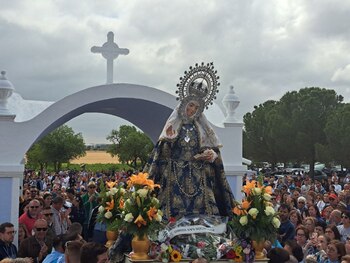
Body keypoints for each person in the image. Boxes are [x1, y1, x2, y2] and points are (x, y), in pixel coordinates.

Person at [144, 72, 235, 219]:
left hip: (198, 176)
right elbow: (162, 152)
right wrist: (168, 143)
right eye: (191, 105)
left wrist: (211, 155)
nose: (192, 109)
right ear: (185, 104)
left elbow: (213, 149)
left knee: (207, 209)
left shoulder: (202, 129)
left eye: (196, 107)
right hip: (175, 175)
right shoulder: (173, 126)